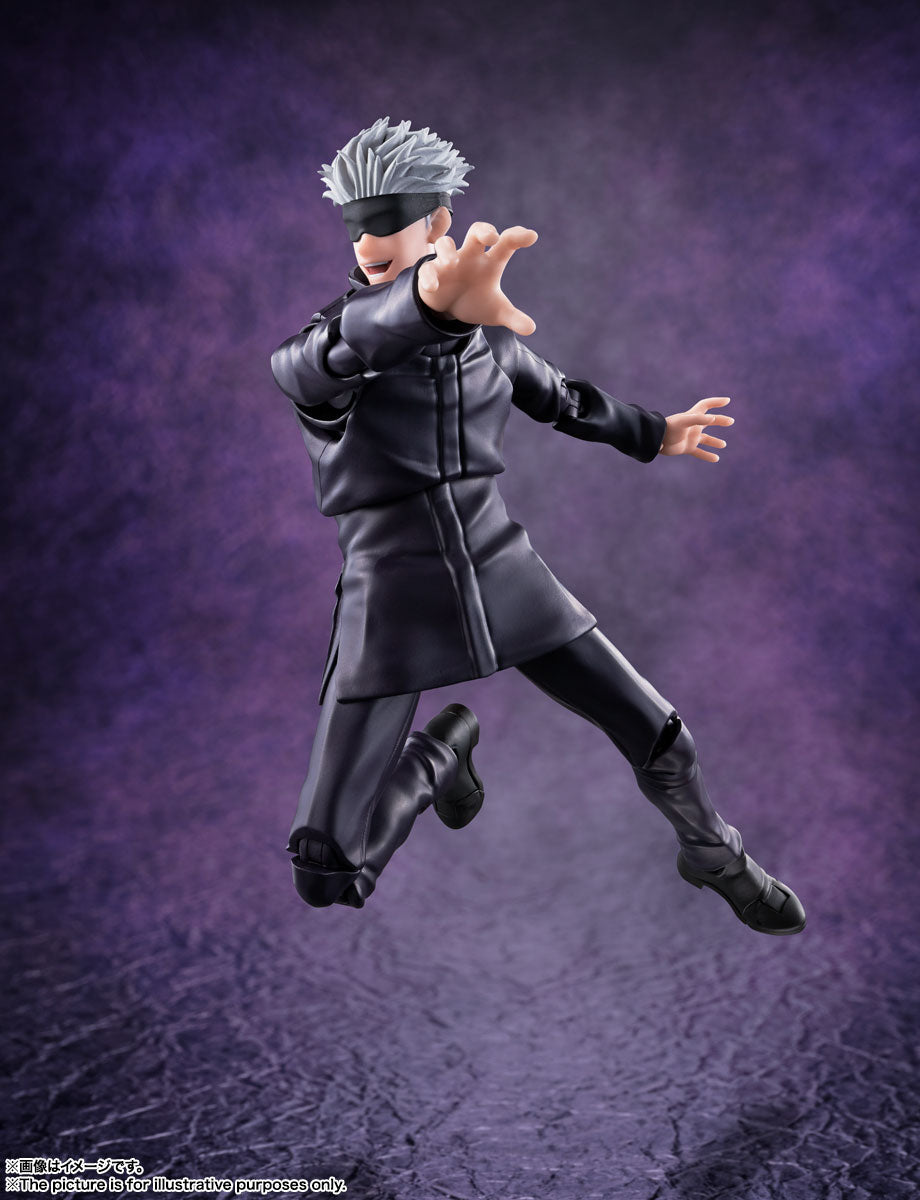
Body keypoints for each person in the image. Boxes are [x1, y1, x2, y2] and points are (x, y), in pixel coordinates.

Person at [270, 117, 805, 933]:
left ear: (438, 222)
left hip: (502, 571)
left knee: (661, 735)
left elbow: (565, 399)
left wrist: (655, 432)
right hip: (391, 599)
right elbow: (320, 357)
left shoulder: (487, 339)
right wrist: (425, 303)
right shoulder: (332, 350)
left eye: (388, 224)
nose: (369, 245)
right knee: (325, 871)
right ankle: (440, 756)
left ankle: (715, 856)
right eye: (358, 231)